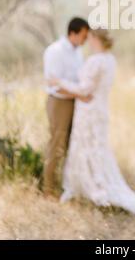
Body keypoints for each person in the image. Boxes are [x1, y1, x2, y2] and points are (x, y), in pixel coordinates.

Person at [49, 28, 135, 215]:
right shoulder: (110, 60)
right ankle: (92, 186)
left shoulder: (96, 60)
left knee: (86, 147)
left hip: (89, 111)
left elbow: (85, 90)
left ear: (95, 39)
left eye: (90, 38)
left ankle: (93, 188)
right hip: (100, 109)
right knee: (97, 148)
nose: (88, 41)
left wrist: (59, 83)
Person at [43, 17, 89, 197]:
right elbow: (54, 83)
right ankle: (48, 189)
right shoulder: (55, 51)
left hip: (75, 102)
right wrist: (80, 94)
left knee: (71, 144)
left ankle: (65, 187)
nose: (85, 40)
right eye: (84, 36)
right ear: (73, 33)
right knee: (57, 144)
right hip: (59, 102)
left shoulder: (78, 52)